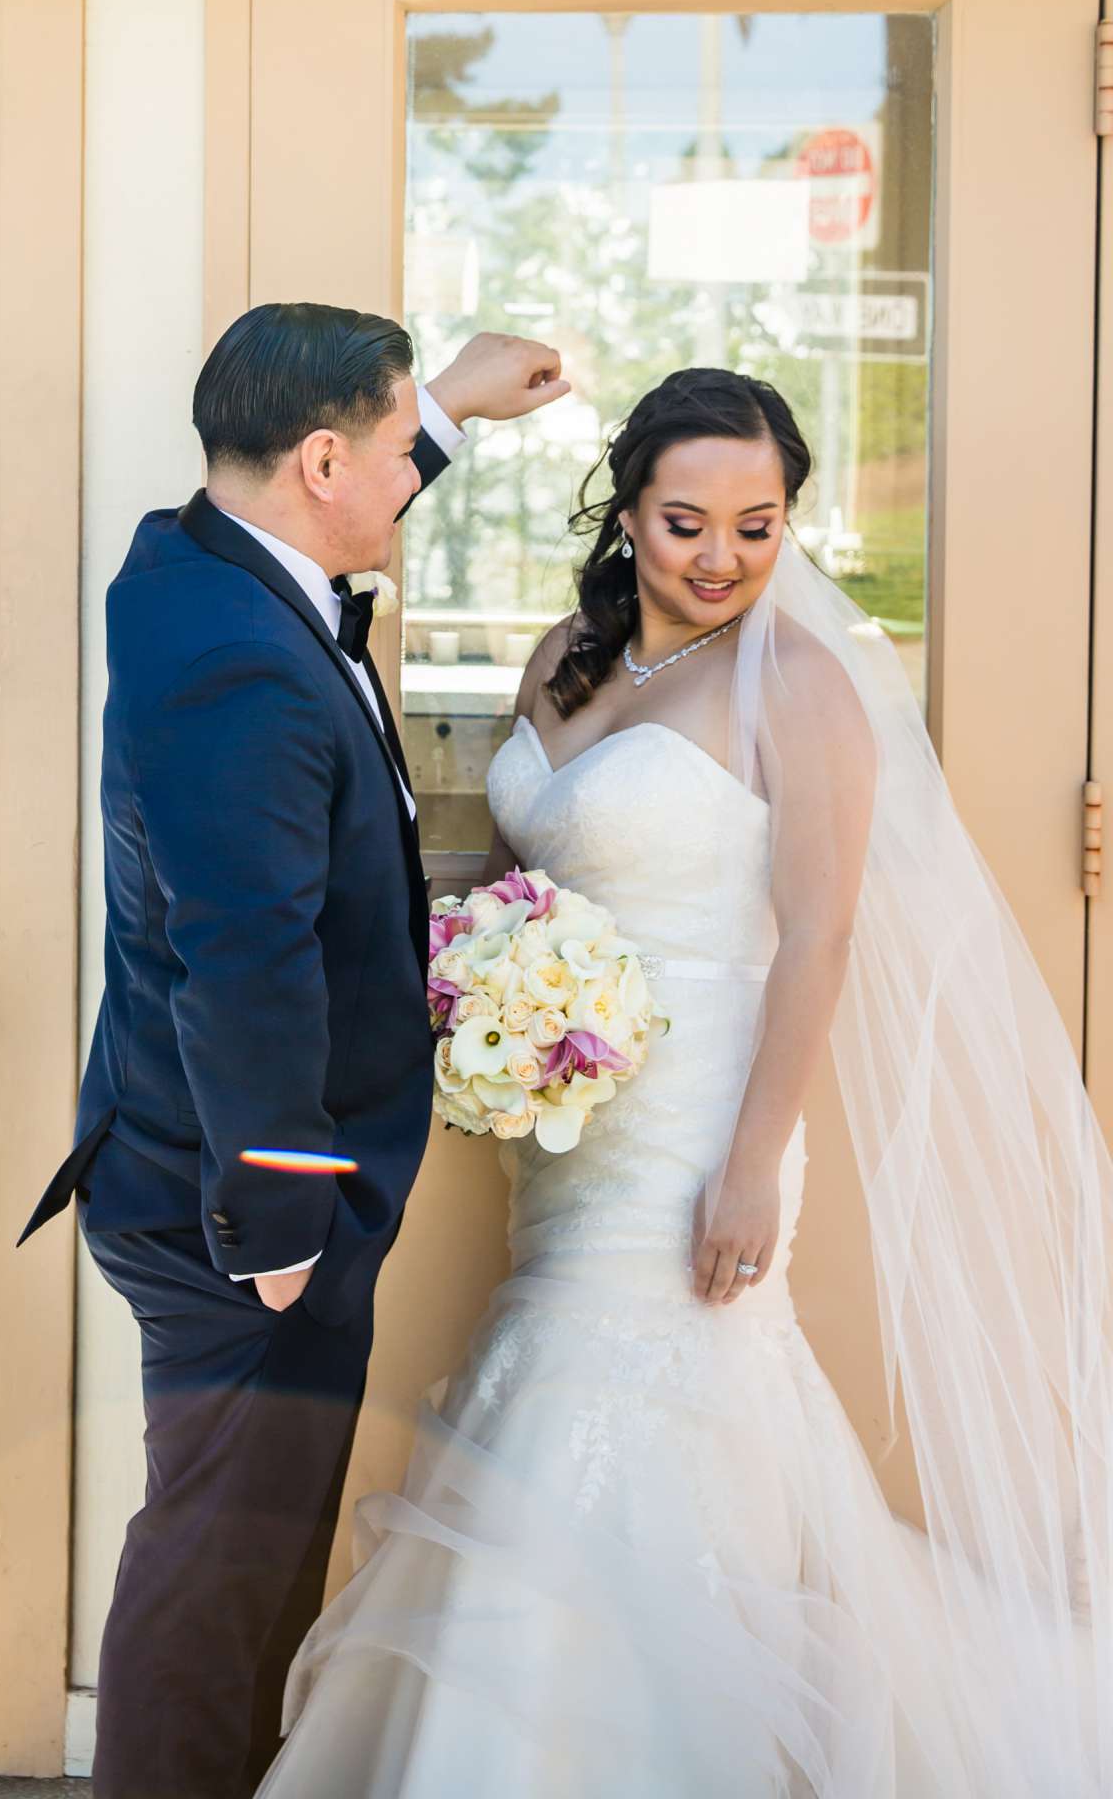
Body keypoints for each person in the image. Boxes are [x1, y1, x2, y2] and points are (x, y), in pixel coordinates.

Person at [258, 365, 1113, 1798]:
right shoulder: (563, 660)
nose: (720, 557)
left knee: (625, 1406)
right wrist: (491, 996)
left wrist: (751, 1164)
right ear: (629, 510)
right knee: (573, 1390)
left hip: (707, 1125)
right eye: (686, 522)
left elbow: (822, 935)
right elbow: (524, 877)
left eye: (757, 526)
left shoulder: (807, 685)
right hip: (571, 1126)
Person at [15, 301, 568, 1799]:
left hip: (225, 1184)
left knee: (249, 1578)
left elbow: (347, 480)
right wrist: (281, 1222)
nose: (409, 479)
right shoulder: (241, 658)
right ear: (322, 458)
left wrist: (443, 403)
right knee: (211, 1597)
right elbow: (240, 952)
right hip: (240, 1206)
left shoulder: (199, 559)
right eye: (398, 454)